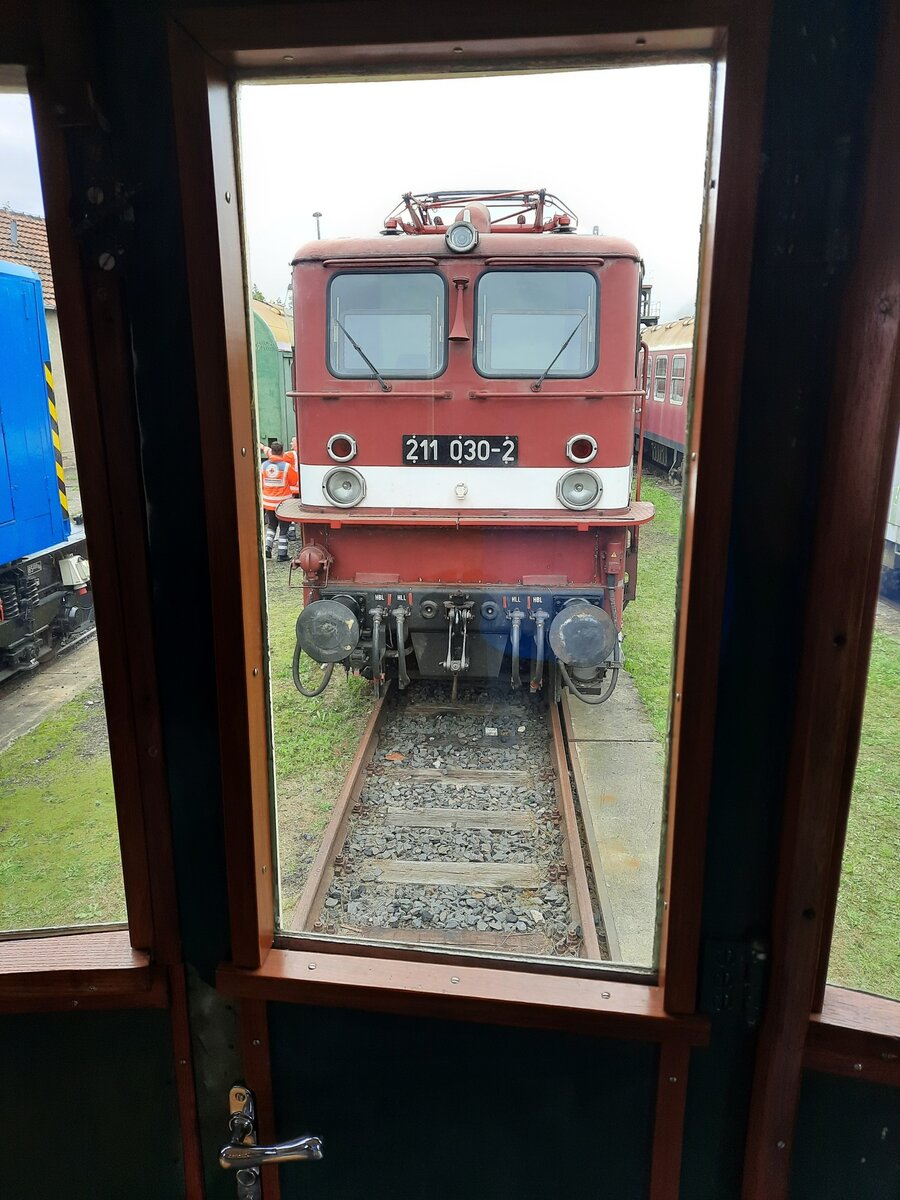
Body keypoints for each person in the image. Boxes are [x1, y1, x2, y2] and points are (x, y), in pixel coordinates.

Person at [260, 441, 299, 561]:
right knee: (284, 528)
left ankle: (268, 547)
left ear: (272, 451)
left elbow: (260, 481)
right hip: (283, 505)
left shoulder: (264, 466)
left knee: (271, 526)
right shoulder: (286, 467)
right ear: (282, 452)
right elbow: (294, 481)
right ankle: (282, 554)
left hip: (268, 503)